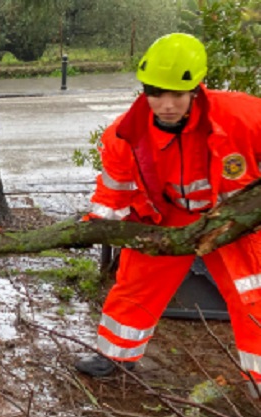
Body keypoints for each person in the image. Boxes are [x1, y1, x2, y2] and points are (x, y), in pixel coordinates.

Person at [74, 33, 261, 388]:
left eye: (177, 93)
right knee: (136, 284)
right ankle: (116, 356)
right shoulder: (125, 135)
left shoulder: (241, 115)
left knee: (254, 293)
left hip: (231, 219)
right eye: (156, 93)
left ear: (196, 88)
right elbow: (115, 190)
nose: (167, 104)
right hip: (166, 215)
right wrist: (97, 224)